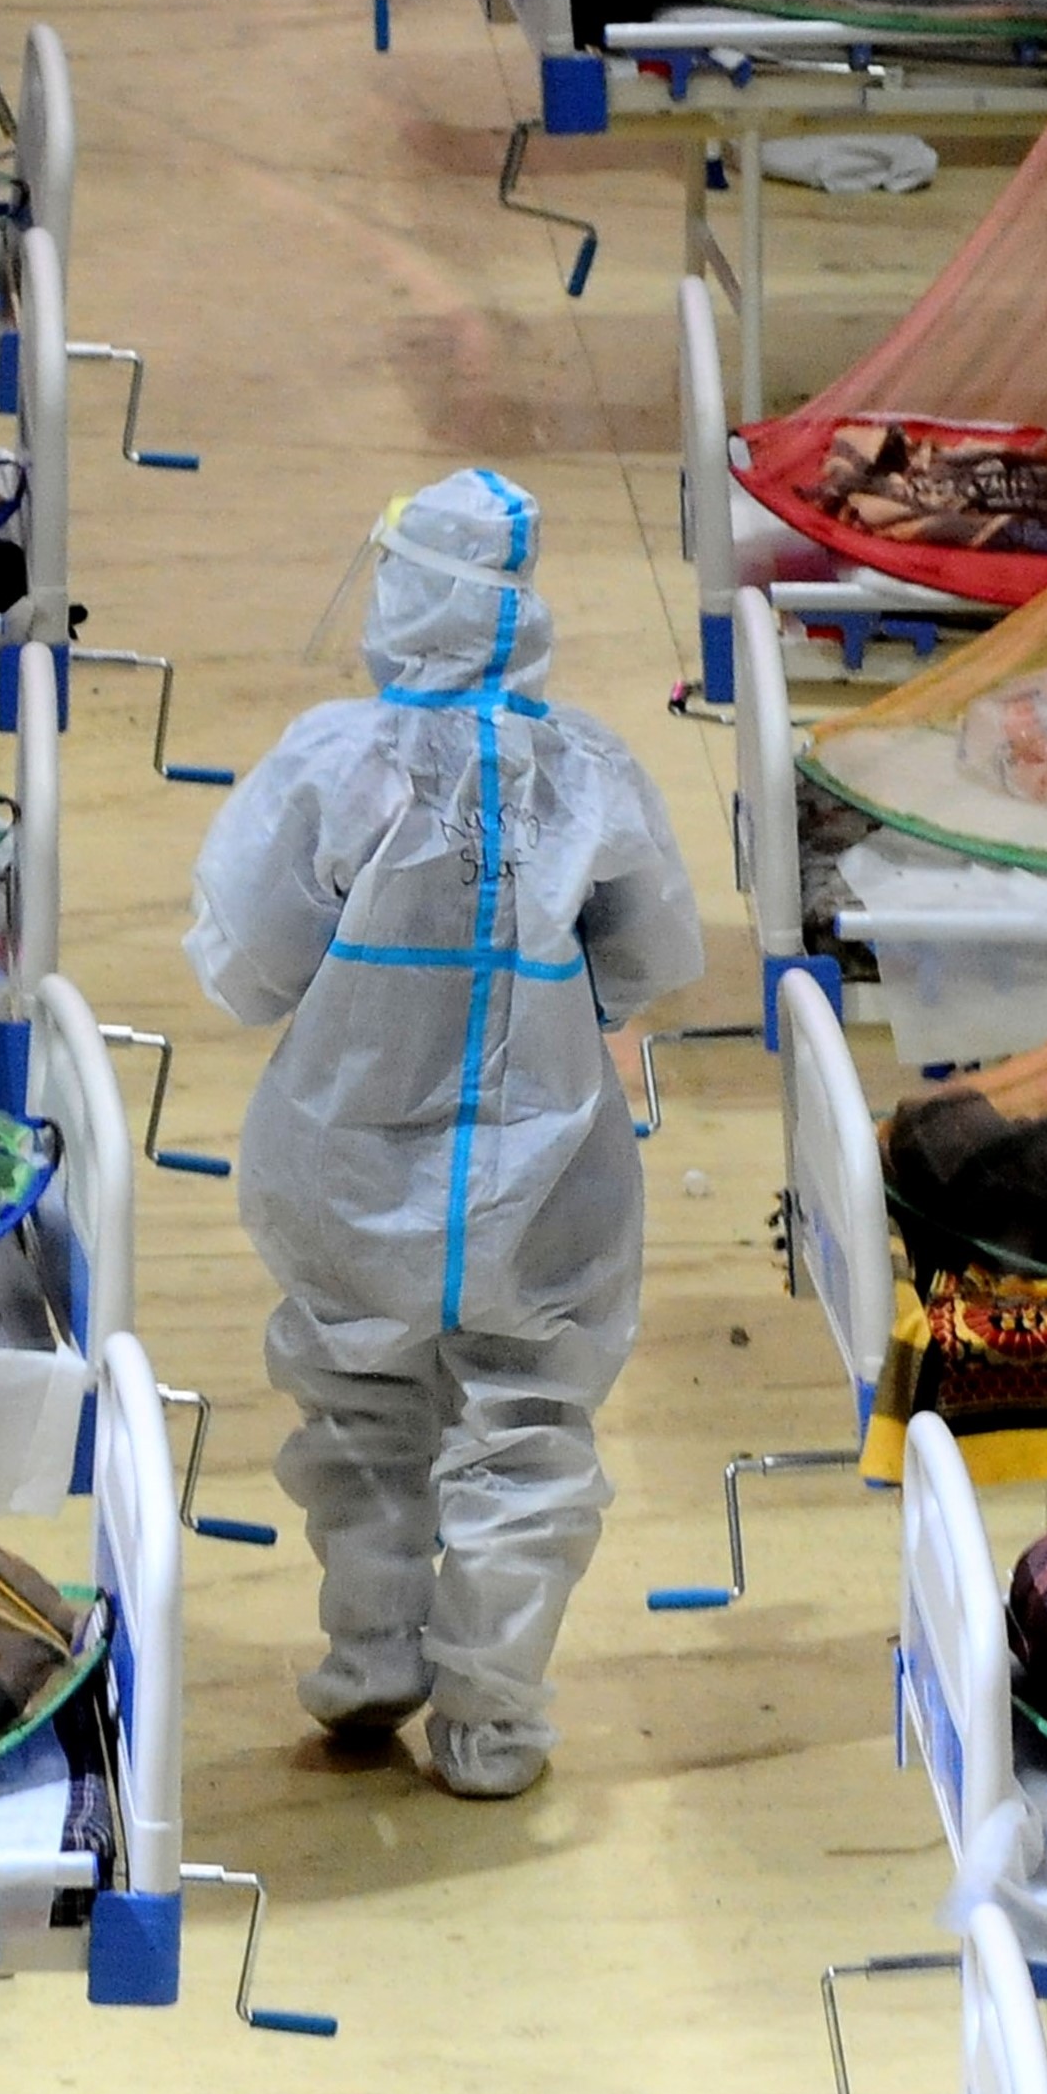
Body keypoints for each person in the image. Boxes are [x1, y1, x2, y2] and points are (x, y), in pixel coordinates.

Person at [186, 473, 706, 1800]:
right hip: (545, 1160)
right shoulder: (588, 770)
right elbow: (649, 955)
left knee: (358, 1395)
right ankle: (493, 1715)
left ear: (399, 594)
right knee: (530, 1423)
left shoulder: (334, 761)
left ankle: (371, 1649)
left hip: (349, 1148)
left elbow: (247, 959)